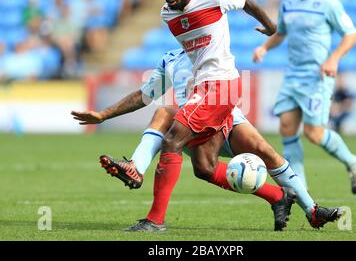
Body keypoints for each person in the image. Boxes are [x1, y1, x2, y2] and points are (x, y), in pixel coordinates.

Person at [72, 47, 342, 231]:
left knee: (264, 150)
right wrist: (104, 114)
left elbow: (224, 6)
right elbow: (144, 94)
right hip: (192, 123)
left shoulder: (214, 47)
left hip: (225, 113)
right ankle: (136, 169)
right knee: (200, 163)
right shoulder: (170, 58)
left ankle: (312, 210)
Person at [252, 0, 356, 194]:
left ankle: (353, 162)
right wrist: (264, 48)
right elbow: (281, 33)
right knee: (286, 128)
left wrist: (333, 58)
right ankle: (299, 189)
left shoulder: (328, 3)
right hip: (292, 76)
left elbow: (351, 34)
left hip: (317, 77)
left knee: (314, 134)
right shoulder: (288, 2)